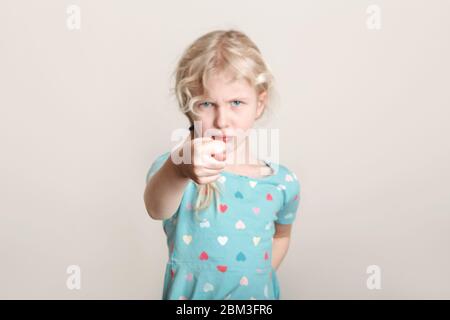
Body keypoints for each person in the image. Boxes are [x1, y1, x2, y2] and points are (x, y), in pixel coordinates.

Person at [143, 29, 301, 300]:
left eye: (236, 102)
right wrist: (179, 169)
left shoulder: (282, 183)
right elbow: (156, 208)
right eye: (206, 103)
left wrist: (253, 279)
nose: (222, 120)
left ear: (259, 103)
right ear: (188, 107)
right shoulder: (180, 168)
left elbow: (281, 236)